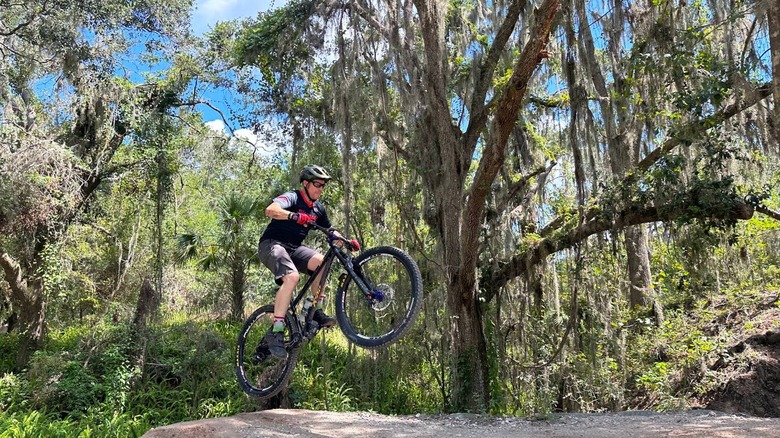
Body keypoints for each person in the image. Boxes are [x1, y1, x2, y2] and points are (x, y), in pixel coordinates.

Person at [257, 164, 357, 358]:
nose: (320, 189)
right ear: (305, 183)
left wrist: (345, 241)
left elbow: (330, 231)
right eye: (317, 184)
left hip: (294, 249)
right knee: (292, 278)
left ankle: (315, 309)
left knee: (322, 262)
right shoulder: (293, 197)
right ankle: (277, 329)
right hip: (272, 244)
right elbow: (271, 210)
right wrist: (294, 215)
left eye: (322, 186)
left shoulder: (318, 209)